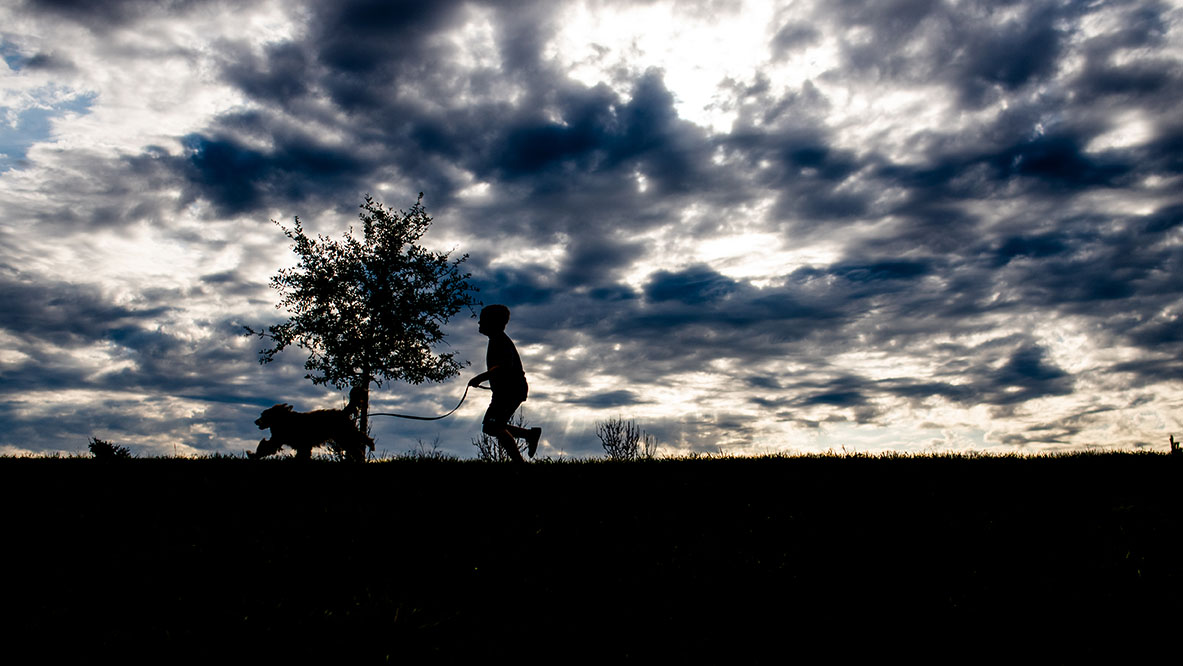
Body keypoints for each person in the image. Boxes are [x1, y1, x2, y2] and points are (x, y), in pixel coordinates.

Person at [469, 304, 542, 462]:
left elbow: (503, 367)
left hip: (511, 390)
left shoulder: (500, 341)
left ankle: (520, 462)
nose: (479, 323)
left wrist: (480, 378)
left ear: (493, 323)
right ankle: (529, 436)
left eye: (482, 320)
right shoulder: (496, 340)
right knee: (492, 426)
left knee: (493, 426)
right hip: (507, 390)